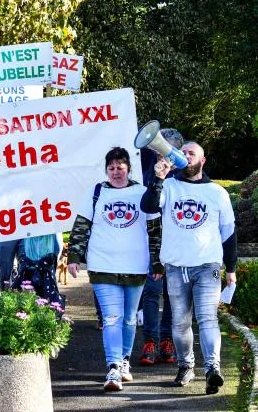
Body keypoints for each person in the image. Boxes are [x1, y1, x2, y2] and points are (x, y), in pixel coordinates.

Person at [140, 142, 237, 394]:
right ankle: (186, 366)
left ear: (202, 161)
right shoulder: (169, 186)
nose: (186, 156)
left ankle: (212, 369)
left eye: (191, 153)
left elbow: (228, 233)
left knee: (206, 318)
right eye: (182, 153)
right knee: (180, 323)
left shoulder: (217, 193)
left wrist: (231, 268)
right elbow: (148, 207)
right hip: (176, 266)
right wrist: (158, 177)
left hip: (208, 266)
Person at [67, 147, 162, 392]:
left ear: (129, 169)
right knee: (111, 318)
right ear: (106, 170)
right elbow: (81, 226)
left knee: (129, 319)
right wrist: (74, 256)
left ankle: (125, 361)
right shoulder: (96, 192)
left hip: (135, 267)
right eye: (111, 168)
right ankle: (112, 367)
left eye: (120, 167)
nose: (116, 172)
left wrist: (157, 261)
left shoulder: (142, 193)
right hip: (102, 265)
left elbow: (155, 231)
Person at [138, 128, 184, 366]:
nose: (159, 155)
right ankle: (150, 341)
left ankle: (167, 340)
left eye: (164, 149)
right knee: (152, 291)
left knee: (172, 294)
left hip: (176, 245)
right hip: (150, 240)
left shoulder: (185, 175)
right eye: (157, 150)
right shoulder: (148, 172)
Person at [12, 234, 63, 308]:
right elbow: (57, 249)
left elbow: (57, 248)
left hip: (35, 257)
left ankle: (30, 309)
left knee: (28, 289)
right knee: (46, 290)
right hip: (41, 258)